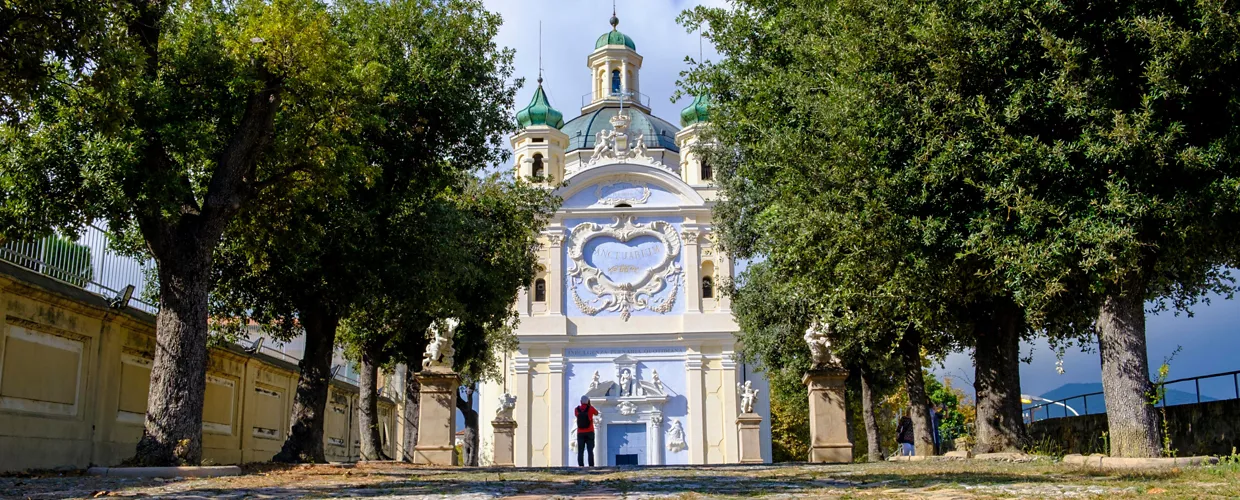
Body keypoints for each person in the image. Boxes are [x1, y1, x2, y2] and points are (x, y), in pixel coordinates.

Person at [574, 395, 600, 467]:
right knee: (590, 450)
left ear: (581, 401)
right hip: (590, 432)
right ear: (588, 401)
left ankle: (581, 465)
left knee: (580, 450)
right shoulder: (590, 408)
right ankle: (591, 465)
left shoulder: (576, 409)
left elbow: (577, 415)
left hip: (580, 432)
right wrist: (590, 405)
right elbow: (596, 413)